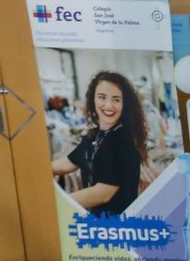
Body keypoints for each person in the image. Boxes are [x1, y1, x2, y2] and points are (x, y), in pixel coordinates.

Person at [50, 70, 147, 216]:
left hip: (119, 227)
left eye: (116, 99)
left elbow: (103, 193)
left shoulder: (122, 139)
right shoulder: (94, 136)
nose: (108, 105)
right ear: (92, 100)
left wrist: (55, 203)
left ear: (125, 104)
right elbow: (67, 164)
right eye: (102, 97)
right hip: (99, 225)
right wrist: (31, 170)